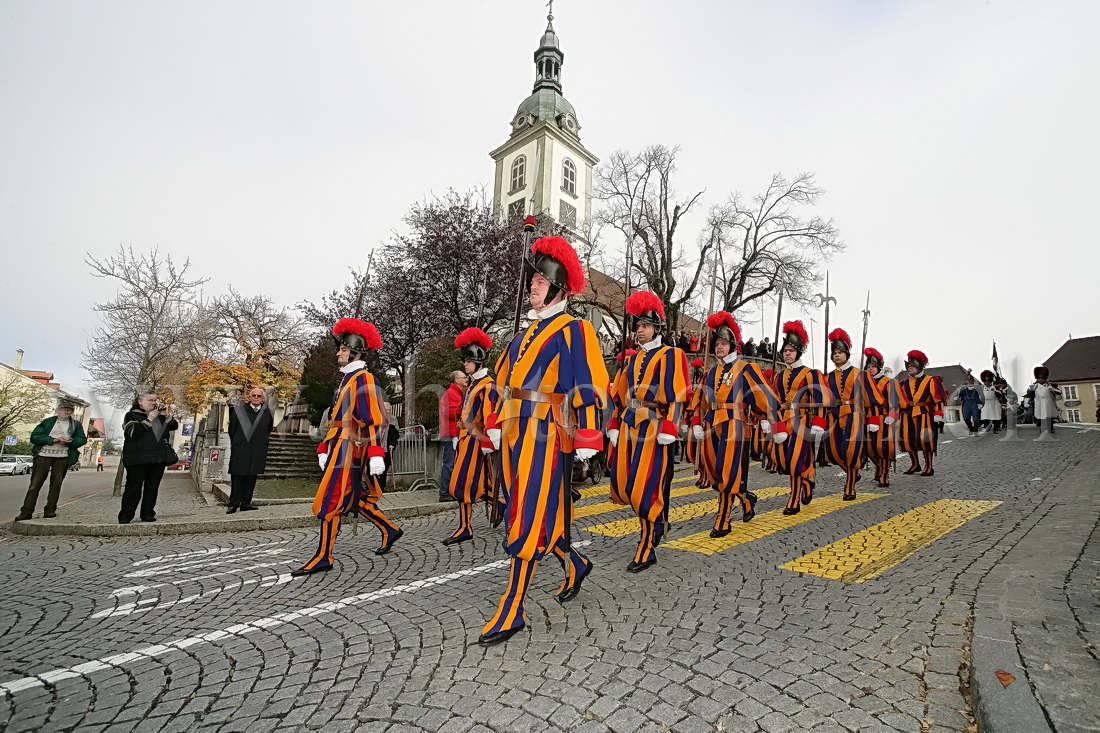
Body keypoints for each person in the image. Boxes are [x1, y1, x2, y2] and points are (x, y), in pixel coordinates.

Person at [478, 234, 609, 645]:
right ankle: (574, 563)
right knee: (529, 507)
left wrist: (588, 434)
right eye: (532, 279)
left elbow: (589, 382)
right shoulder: (521, 336)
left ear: (558, 287)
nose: (531, 285)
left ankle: (513, 607)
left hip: (546, 434)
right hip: (516, 432)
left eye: (539, 280)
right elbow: (503, 384)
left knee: (527, 514)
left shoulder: (575, 330)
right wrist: (496, 421)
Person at [292, 318, 402, 576]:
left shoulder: (364, 380)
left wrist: (376, 453)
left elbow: (374, 421)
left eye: (342, 348)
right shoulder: (346, 381)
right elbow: (334, 421)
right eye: (340, 348)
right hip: (339, 446)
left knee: (330, 500)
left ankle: (323, 556)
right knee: (354, 499)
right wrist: (323, 448)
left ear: (356, 352)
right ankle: (389, 529)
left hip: (350, 451)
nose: (338, 352)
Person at [606, 291, 689, 572]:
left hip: (654, 425)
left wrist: (671, 425)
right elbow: (618, 397)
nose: (639, 330)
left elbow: (678, 394)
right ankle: (656, 523)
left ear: (656, 328)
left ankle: (646, 545)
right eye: (637, 326)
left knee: (645, 486)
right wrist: (614, 424)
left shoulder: (671, 355)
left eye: (644, 326)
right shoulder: (630, 360)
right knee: (625, 485)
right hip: (630, 424)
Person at [688, 312, 779, 535]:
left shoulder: (746, 369)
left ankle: (724, 518)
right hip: (712, 424)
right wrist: (697, 421)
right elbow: (699, 401)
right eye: (717, 343)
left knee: (727, 471)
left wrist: (766, 417)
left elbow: (763, 395)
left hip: (735, 425)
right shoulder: (709, 373)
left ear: (733, 345)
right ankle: (746, 499)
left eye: (724, 343)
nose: (719, 347)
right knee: (716, 471)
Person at [443, 327, 501, 545]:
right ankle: (500, 506)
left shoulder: (487, 385)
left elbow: (489, 415)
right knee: (475, 483)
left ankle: (466, 527)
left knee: (461, 483)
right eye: (465, 361)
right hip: (466, 438)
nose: (465, 364)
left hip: (476, 440)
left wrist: (487, 440)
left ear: (478, 361)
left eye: (468, 361)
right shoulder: (472, 385)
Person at [771, 321, 833, 514]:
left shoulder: (810, 374)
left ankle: (794, 498)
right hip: (782, 421)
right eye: (785, 350)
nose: (787, 353)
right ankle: (808, 475)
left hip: (801, 421)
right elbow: (773, 400)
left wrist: (819, 422)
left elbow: (820, 399)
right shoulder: (777, 376)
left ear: (798, 352)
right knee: (781, 461)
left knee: (795, 460)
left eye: (791, 350)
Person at [823, 329, 880, 500]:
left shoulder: (860, 374)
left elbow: (872, 399)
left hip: (854, 416)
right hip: (833, 415)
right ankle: (853, 473)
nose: (837, 356)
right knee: (832, 453)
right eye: (834, 353)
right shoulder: (828, 377)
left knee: (850, 451)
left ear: (846, 354)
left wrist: (874, 419)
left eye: (840, 352)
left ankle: (850, 486)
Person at [16, 400, 87, 521]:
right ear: (58, 410)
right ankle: (26, 512)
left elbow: (82, 439)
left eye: (69, 410)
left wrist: (71, 441)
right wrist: (53, 440)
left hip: (63, 457)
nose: (66, 411)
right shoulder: (48, 422)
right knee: (35, 484)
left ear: (72, 412)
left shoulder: (75, 424)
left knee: (56, 484)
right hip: (43, 455)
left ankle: (50, 510)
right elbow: (35, 437)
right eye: (64, 409)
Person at [119, 394, 178, 523]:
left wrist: (165, 415)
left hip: (157, 458)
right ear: (140, 402)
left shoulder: (159, 416)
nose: (153, 403)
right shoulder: (132, 415)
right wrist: (149, 419)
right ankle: (126, 515)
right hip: (137, 459)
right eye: (150, 400)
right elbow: (133, 432)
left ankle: (147, 513)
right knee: (133, 488)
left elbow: (174, 426)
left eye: (155, 400)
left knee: (152, 488)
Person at [897, 350, 948, 476]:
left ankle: (929, 466)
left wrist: (938, 413)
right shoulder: (903, 383)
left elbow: (938, 398)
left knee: (925, 441)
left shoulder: (931, 381)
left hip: (924, 414)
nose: (910, 368)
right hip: (907, 414)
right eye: (908, 366)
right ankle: (915, 464)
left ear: (920, 367)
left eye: (912, 366)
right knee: (908, 440)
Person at [226, 387, 276, 513]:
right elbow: (232, 429)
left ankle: (246, 503)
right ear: (250, 397)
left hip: (257, 450)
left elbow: (268, 429)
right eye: (253, 395)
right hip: (241, 448)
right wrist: (237, 443)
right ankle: (233, 503)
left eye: (259, 396)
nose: (256, 397)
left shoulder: (267, 412)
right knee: (237, 476)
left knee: (252, 476)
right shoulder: (240, 410)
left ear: (263, 398)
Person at [862, 348, 903, 488]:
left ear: (878, 367)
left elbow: (895, 401)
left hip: (884, 418)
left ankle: (884, 474)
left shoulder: (888, 382)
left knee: (883, 448)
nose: (870, 369)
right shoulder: (864, 382)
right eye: (868, 367)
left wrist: (892, 415)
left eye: (873, 366)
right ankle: (879, 467)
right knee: (869, 449)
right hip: (868, 418)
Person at [437, 371, 467, 502]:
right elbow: (448, 413)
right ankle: (444, 493)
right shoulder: (451, 393)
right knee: (449, 463)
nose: (466, 379)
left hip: (454, 432)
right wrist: (464, 409)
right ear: (456, 380)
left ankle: (450, 491)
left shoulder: (457, 393)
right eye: (463, 377)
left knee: (453, 463)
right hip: (451, 433)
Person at [1023, 366, 1061, 434]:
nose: (1040, 380)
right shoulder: (1034, 387)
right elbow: (1029, 395)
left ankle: (1050, 428)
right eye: (1039, 379)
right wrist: (1026, 402)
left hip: (1049, 403)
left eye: (1042, 379)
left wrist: (1052, 389)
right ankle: (1042, 428)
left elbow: (1059, 392)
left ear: (1045, 379)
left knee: (1049, 417)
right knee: (1040, 416)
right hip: (1039, 403)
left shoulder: (1051, 385)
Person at [979, 370, 1003, 434]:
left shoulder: (995, 387)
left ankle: (996, 427)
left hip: (994, 403)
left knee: (996, 415)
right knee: (986, 415)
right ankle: (987, 426)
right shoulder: (981, 388)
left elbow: (1000, 394)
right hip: (986, 403)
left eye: (988, 381)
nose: (987, 383)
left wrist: (996, 391)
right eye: (985, 381)